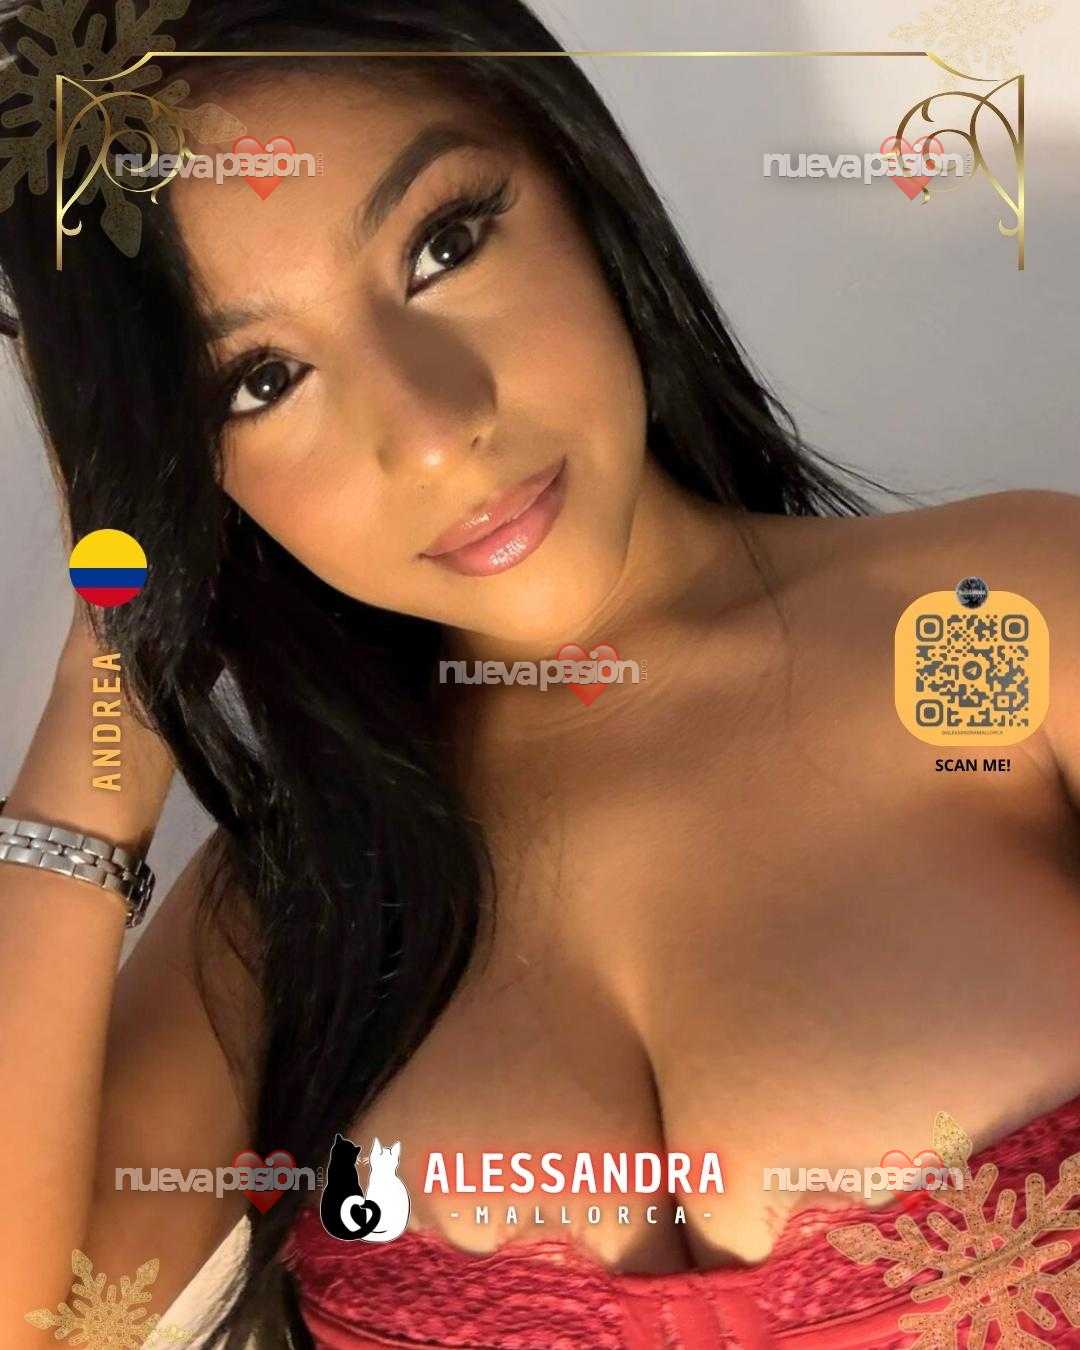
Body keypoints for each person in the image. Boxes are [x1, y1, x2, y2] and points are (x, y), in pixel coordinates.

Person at [1, 1, 1078, 1346]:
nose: (434, 431)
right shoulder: (285, 922)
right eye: (260, 381)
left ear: (575, 180)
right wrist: (110, 683)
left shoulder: (1007, 623)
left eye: (443, 245)